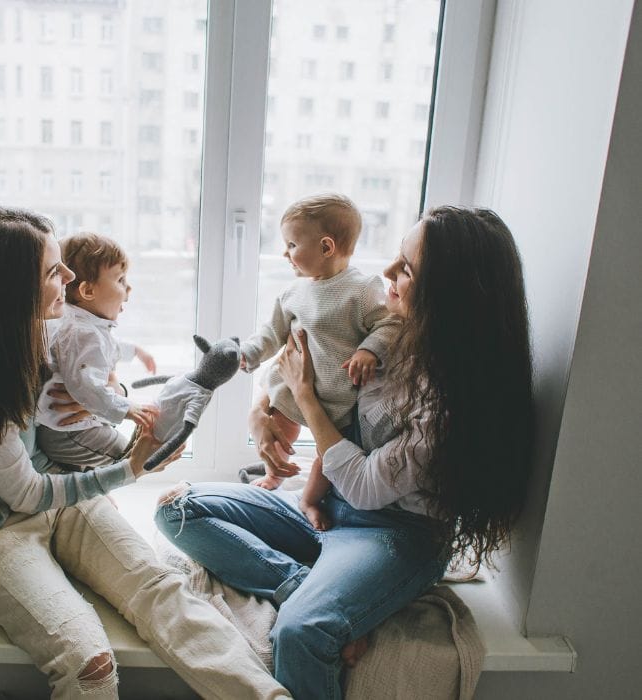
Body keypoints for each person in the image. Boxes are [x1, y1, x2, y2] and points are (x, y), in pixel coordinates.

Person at [0, 206, 291, 700]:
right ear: (11, 289)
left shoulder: (35, 336)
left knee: (162, 590)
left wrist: (110, 389)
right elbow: (24, 494)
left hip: (56, 500)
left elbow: (93, 375)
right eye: (53, 271)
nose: (69, 277)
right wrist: (127, 470)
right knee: (88, 662)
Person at [156, 206, 534, 699]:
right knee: (176, 509)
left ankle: (319, 598)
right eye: (396, 259)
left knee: (300, 631)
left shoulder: (455, 397)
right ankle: (297, 582)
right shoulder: (391, 336)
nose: (389, 273)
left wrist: (306, 400)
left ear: (450, 292)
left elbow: (367, 484)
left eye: (408, 268)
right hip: (330, 508)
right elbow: (305, 368)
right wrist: (263, 408)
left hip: (395, 533)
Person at [239, 193, 399, 528]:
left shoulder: (363, 289)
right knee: (278, 431)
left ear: (326, 247)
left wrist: (369, 349)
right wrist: (250, 354)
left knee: (328, 459)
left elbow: (388, 324)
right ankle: (274, 474)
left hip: (338, 400)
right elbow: (272, 333)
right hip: (289, 389)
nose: (286, 253)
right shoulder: (293, 293)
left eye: (292, 245)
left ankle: (309, 501)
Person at [35, 231, 157, 471]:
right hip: (69, 432)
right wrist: (127, 409)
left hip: (72, 426)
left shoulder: (80, 323)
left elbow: (107, 347)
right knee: (130, 456)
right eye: (120, 280)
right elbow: (86, 388)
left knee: (123, 450)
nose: (128, 288)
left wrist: (135, 351)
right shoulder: (83, 333)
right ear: (88, 291)